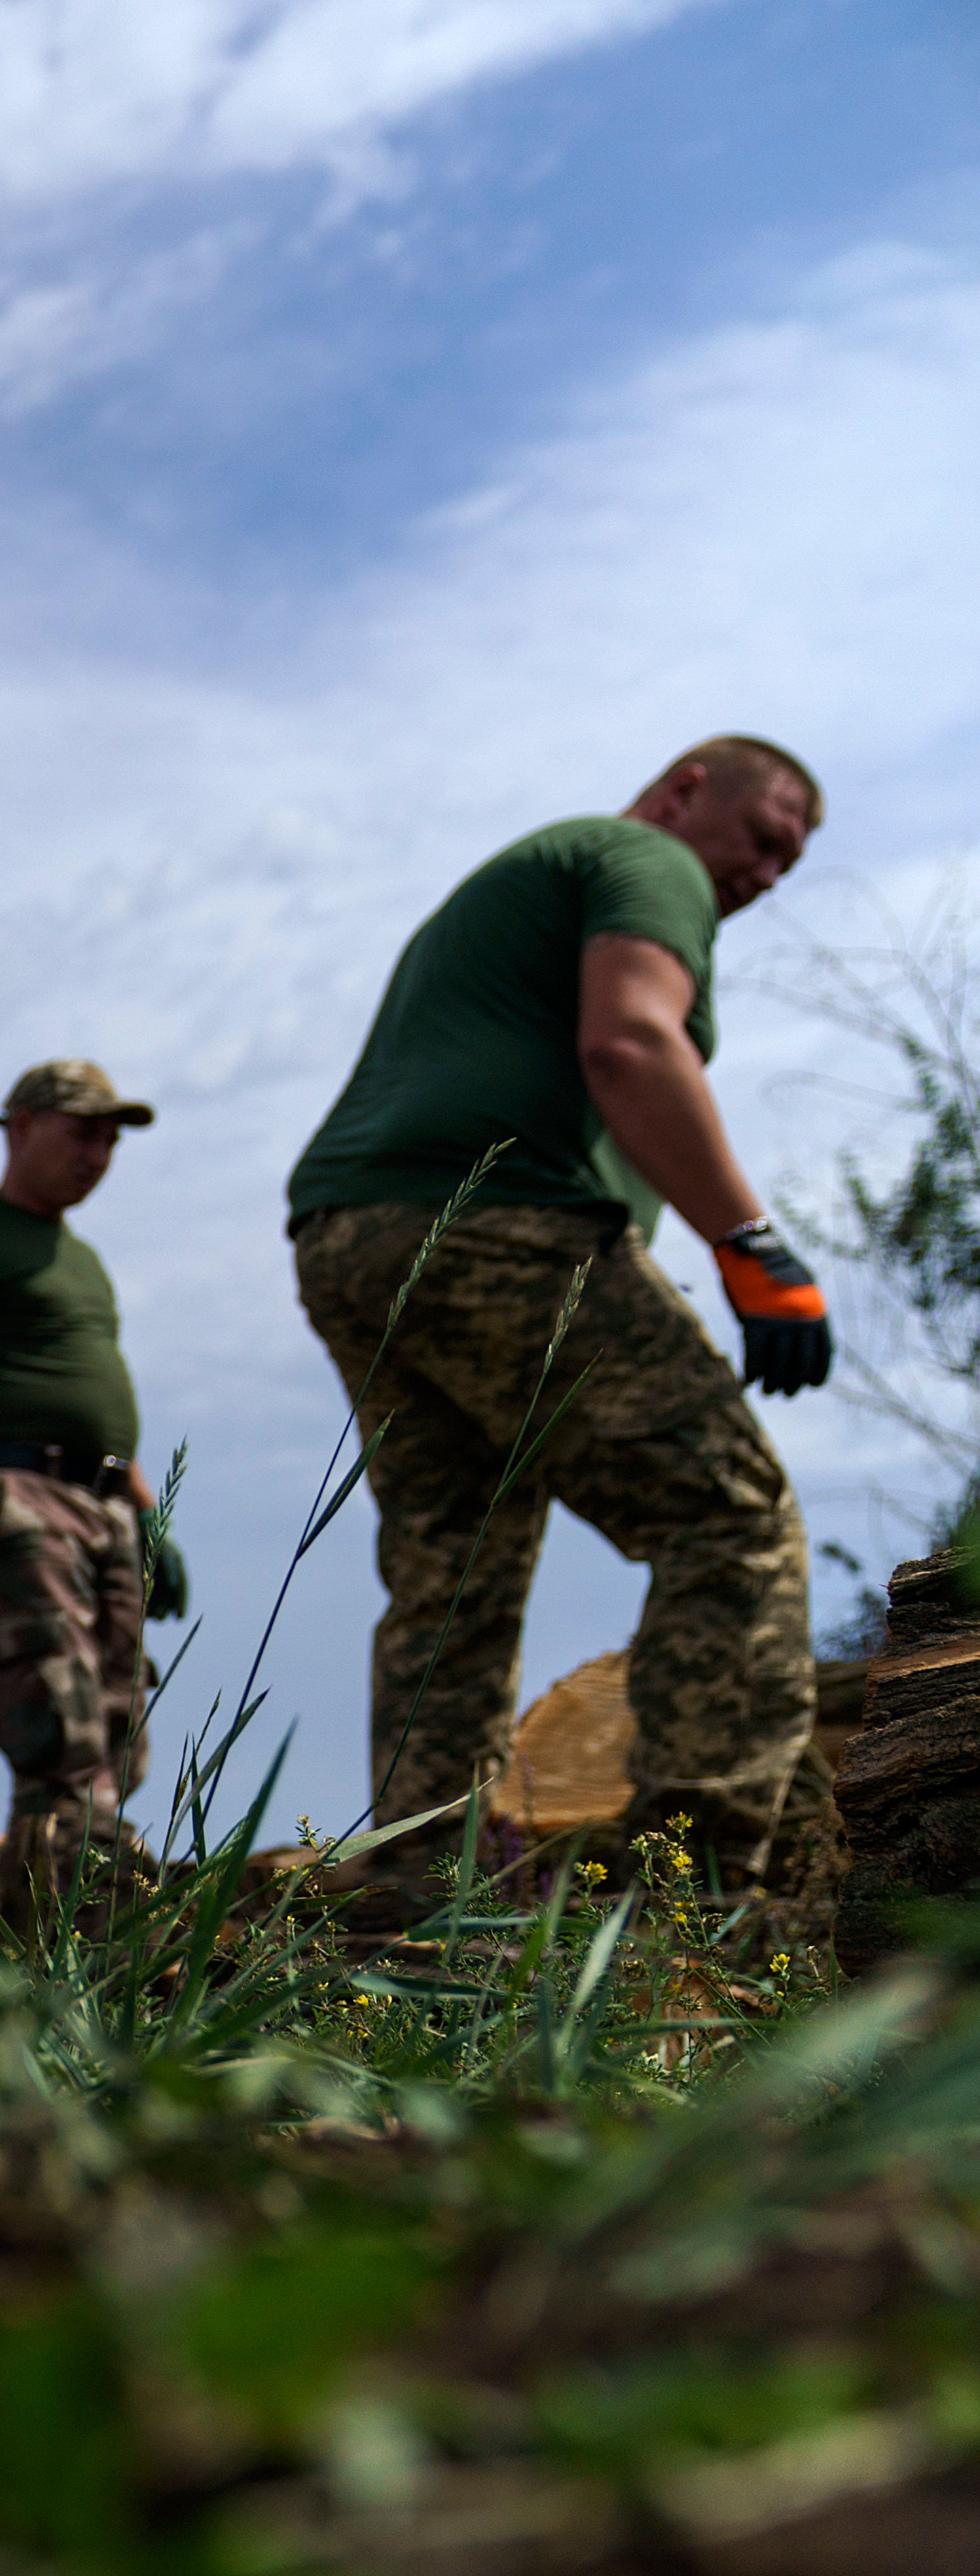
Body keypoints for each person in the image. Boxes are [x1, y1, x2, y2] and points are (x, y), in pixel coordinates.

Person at [285, 735, 835, 1917]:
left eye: (793, 862)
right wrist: (754, 1246)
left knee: (456, 1564)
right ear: (691, 790)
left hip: (351, 1237)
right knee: (727, 1512)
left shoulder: (546, 874)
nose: (771, 873)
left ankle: (425, 1884)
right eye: (766, 838)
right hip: (499, 1226)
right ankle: (704, 1885)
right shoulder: (647, 860)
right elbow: (632, 1042)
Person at [0, 1061, 189, 1926]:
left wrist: (150, 1519)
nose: (98, 1154)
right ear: (21, 1126)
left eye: (111, 1139)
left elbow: (102, 1416)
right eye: (82, 1132)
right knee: (59, 1724)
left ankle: (61, 1937)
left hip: (105, 1502)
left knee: (118, 1718)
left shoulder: (84, 1262)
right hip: (20, 1493)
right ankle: (76, 1938)